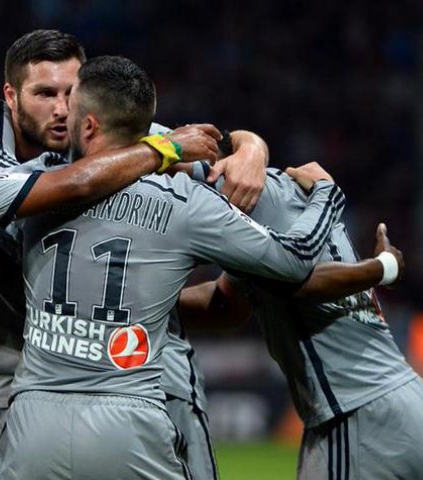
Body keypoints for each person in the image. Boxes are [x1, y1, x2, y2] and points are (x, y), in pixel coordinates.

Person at [0, 29, 270, 480]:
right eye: (45, 93)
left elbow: (226, 150)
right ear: (11, 96)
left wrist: (252, 148)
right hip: (11, 377)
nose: (63, 108)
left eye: (72, 92)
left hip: (142, 374)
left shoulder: (122, 131)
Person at [0, 54, 345, 479]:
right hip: (128, 419)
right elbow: (295, 261)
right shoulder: (185, 201)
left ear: (90, 126)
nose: (61, 114)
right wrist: (326, 195)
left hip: (33, 423)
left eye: (71, 107)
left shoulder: (37, 185)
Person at [178, 161, 423, 479]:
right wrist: (146, 304)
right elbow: (228, 303)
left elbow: (297, 281)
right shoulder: (299, 205)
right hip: (395, 399)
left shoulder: (264, 199)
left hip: (356, 415)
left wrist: (382, 267)